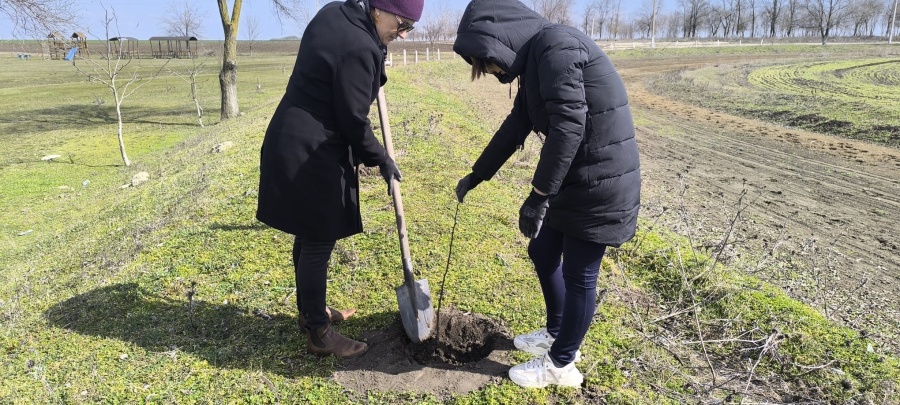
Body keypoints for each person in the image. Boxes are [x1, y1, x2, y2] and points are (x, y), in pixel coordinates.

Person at [452, 0, 641, 388]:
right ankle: (557, 332)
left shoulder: (557, 47)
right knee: (542, 250)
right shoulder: (538, 57)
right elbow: (517, 123)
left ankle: (560, 364)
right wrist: (478, 174)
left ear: (499, 40)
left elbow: (570, 126)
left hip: (601, 179)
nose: (493, 73)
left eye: (488, 64)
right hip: (576, 175)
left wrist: (538, 196)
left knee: (579, 273)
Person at [256, 0, 423, 358]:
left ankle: (310, 312)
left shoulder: (335, 11)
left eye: (411, 27)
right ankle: (319, 332)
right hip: (313, 148)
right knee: (319, 237)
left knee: (309, 231)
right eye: (403, 22)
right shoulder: (361, 46)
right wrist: (381, 158)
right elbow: (352, 120)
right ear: (380, 8)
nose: (404, 33)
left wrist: (378, 51)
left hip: (291, 132)